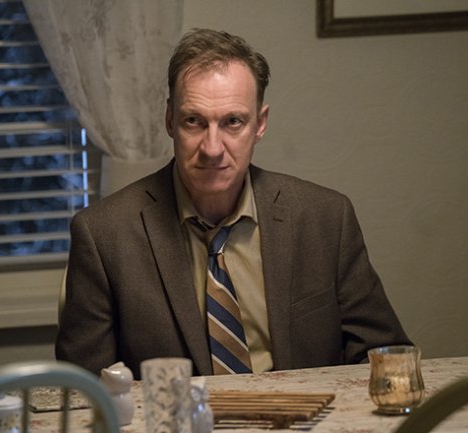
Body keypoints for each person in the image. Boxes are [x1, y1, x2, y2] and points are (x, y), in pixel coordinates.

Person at [56, 28, 411, 378]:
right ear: (170, 121)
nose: (212, 148)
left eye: (233, 122)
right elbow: (81, 392)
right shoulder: (104, 235)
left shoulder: (326, 219)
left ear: (260, 124)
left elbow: (387, 360)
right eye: (194, 121)